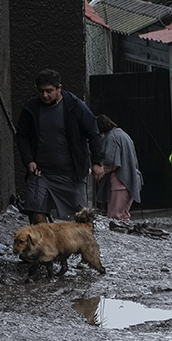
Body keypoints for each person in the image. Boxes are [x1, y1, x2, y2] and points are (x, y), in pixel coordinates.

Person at [14, 69, 104, 225]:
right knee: (36, 214)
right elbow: (21, 135)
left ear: (59, 88)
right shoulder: (31, 108)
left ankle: (79, 248)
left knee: (81, 221)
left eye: (49, 91)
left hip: (71, 174)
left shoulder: (74, 106)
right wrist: (28, 160)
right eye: (41, 91)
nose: (45, 95)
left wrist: (97, 162)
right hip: (40, 173)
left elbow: (93, 132)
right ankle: (45, 248)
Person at [94, 115, 143, 222]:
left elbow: (111, 161)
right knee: (124, 216)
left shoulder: (112, 137)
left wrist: (99, 170)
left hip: (120, 182)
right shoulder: (122, 134)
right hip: (132, 181)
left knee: (114, 216)